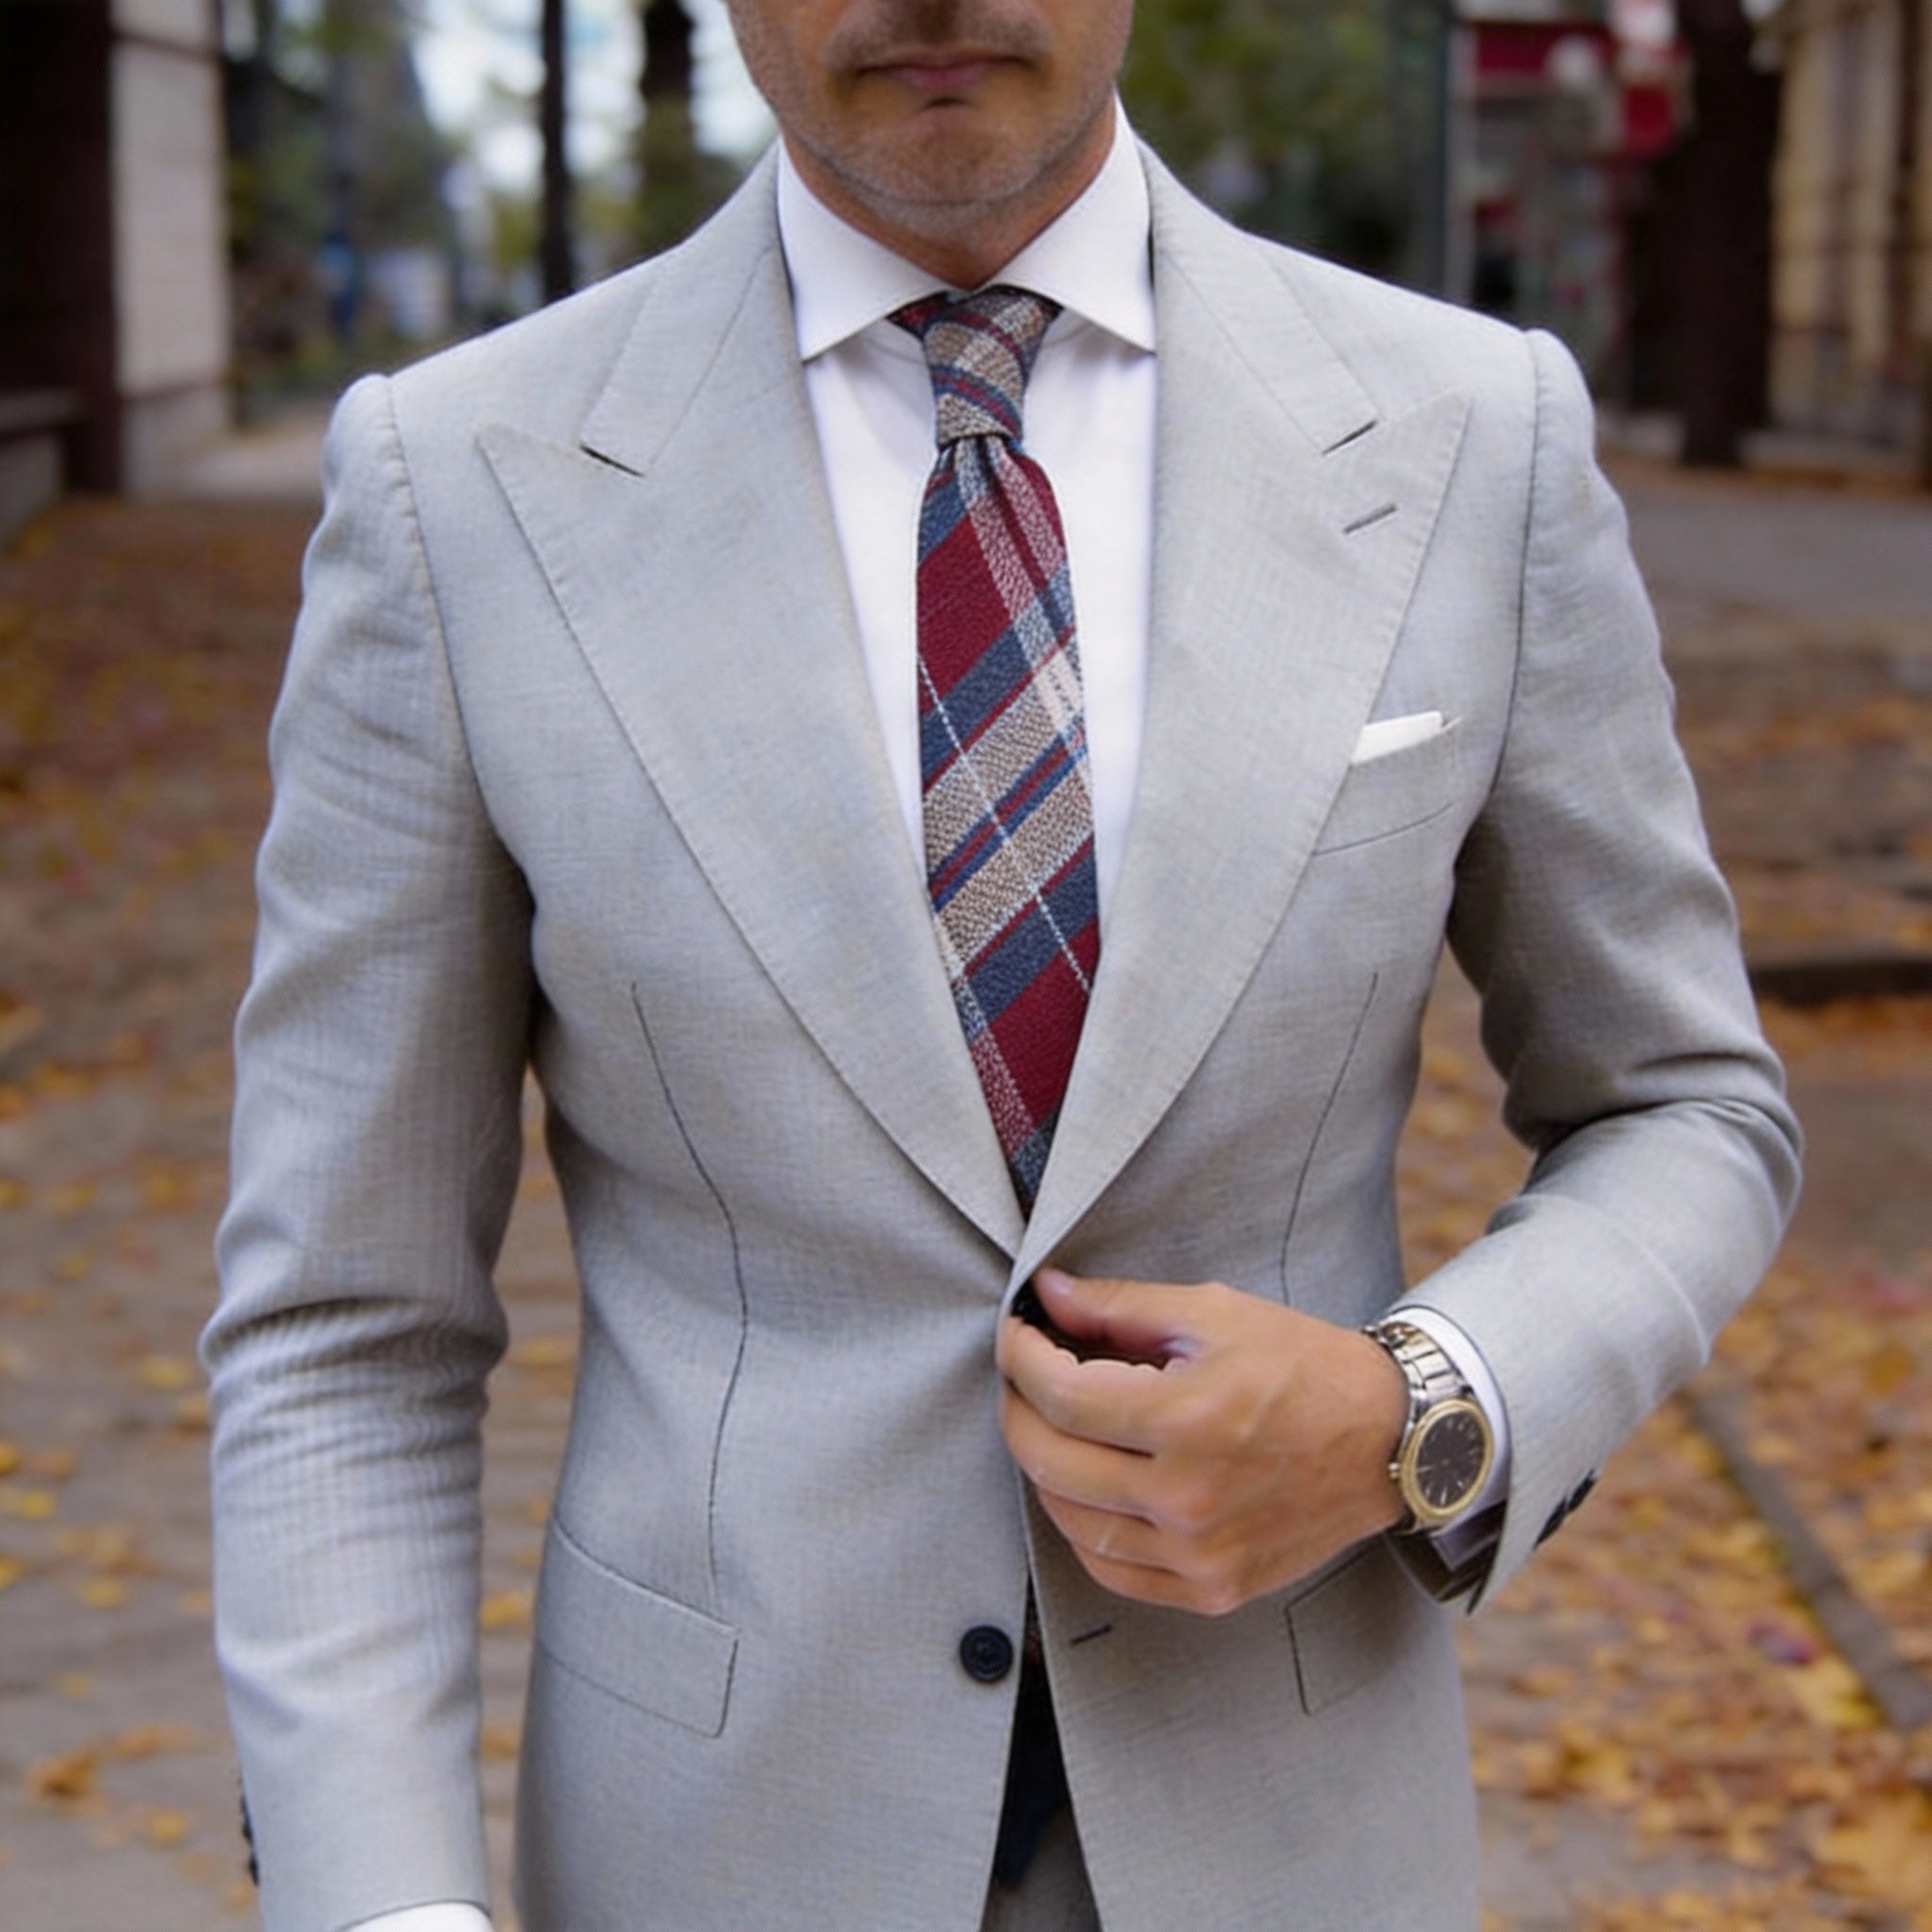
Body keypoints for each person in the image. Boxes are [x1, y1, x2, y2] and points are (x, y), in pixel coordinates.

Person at [203, 3, 1801, 1929]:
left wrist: (1419, 1409)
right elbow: (341, 1319)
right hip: (707, 1848)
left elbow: (1683, 1103)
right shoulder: (454, 488)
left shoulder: (1473, 437)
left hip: (1295, 1838)